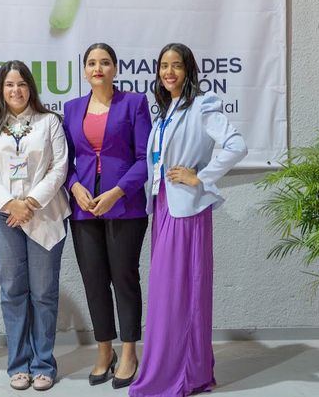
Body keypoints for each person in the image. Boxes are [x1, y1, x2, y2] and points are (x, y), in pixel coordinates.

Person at [129, 43, 248, 397]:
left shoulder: (202, 104)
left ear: (188, 70)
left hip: (187, 209)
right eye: (164, 66)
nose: (169, 72)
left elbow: (235, 144)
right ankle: (182, 369)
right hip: (164, 205)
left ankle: (178, 374)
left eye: (176, 66)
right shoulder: (166, 111)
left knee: (180, 292)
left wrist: (202, 177)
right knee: (167, 292)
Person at [0, 60, 70, 391]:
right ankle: (19, 364)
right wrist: (10, 203)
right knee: (13, 290)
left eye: (22, 84)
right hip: (3, 217)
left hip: (44, 214)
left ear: (31, 87)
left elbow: (59, 168)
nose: (16, 90)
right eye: (9, 85)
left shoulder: (49, 122)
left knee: (43, 292)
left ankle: (43, 363)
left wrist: (29, 203)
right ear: (1, 90)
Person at [63, 43, 151, 389]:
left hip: (125, 208)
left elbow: (146, 159)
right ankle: (104, 351)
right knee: (94, 281)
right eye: (91, 63)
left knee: (124, 280)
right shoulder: (71, 109)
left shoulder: (134, 103)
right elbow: (65, 162)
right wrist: (74, 187)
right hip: (84, 211)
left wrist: (117, 191)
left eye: (104, 62)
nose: (97, 68)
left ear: (115, 68)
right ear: (84, 70)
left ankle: (129, 351)